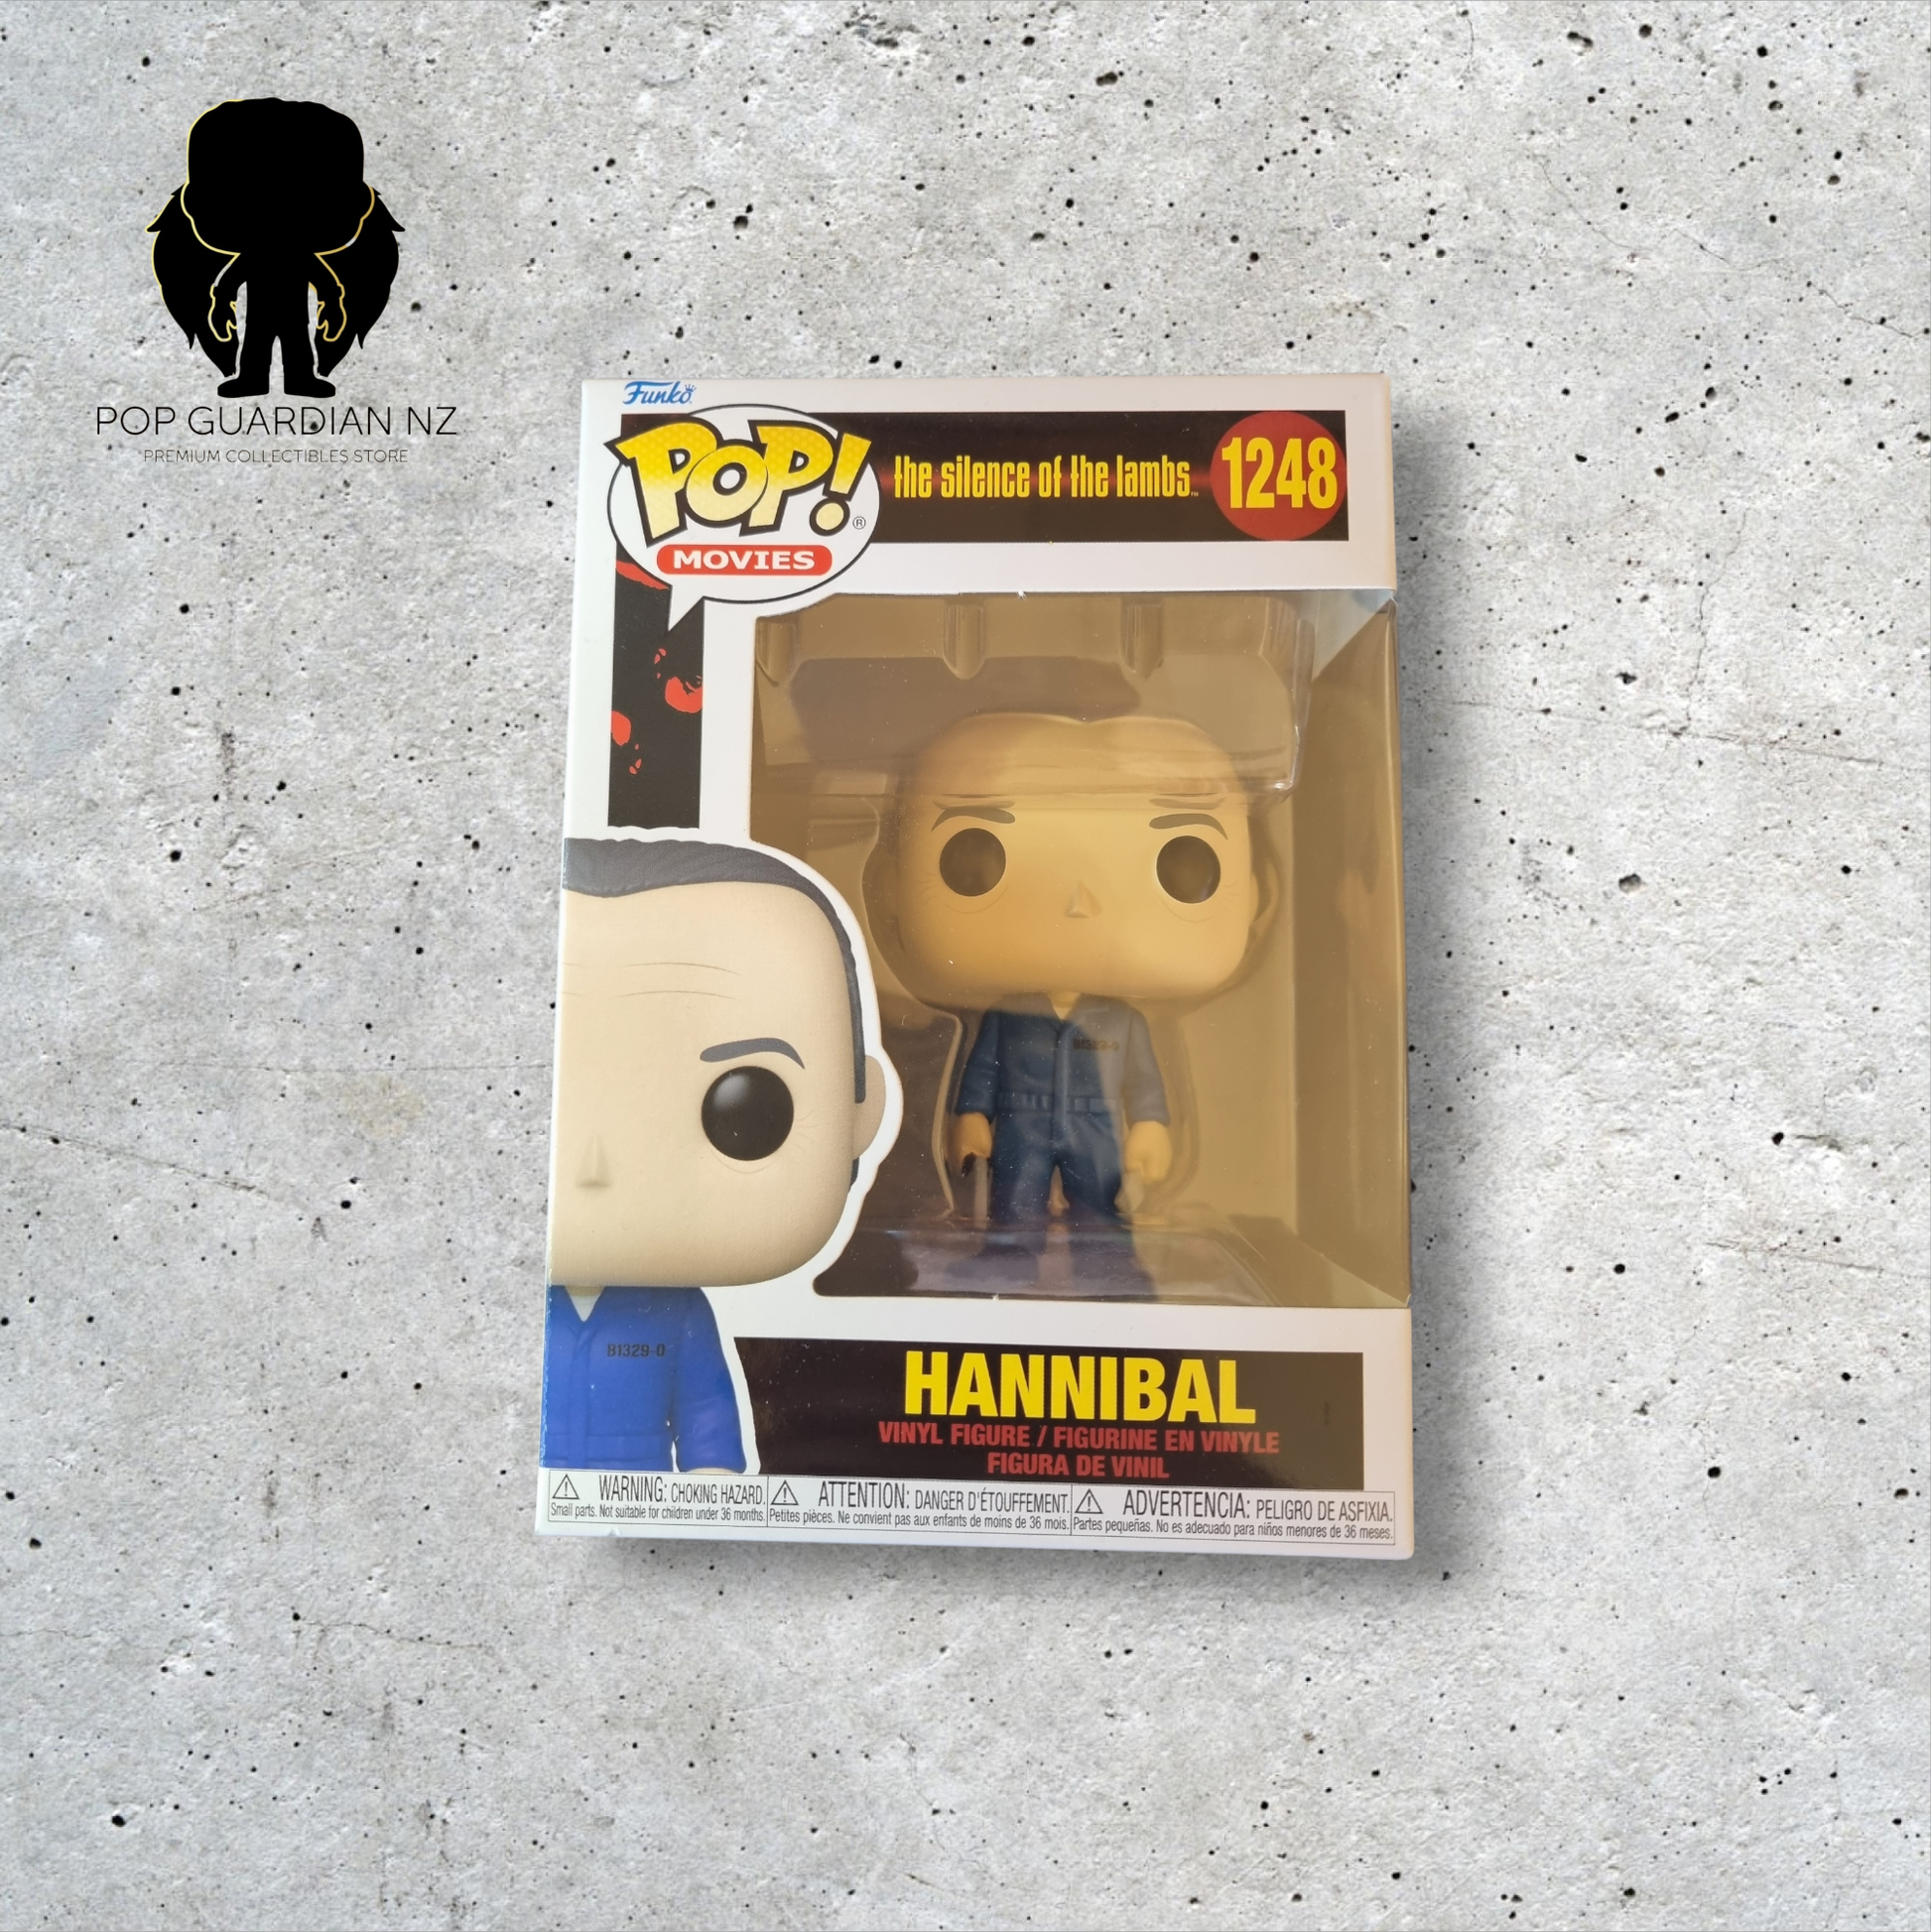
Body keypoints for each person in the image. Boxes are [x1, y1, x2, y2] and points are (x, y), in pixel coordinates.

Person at [541, 838, 889, 1471]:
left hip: (644, 1490)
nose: (595, 1167)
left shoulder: (676, 1310)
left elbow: (706, 1408)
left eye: (746, 1112)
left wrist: (713, 1476)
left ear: (859, 1114)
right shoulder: (507, 1306)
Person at [893, 712, 1258, 1294]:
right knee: (1016, 1197)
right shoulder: (1006, 1015)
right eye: (974, 853)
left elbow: (1142, 1079)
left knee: (1098, 1200)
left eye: (1183, 859)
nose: (1079, 899)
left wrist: (1151, 1125)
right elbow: (982, 1069)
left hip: (1095, 1122)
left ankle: (1107, 1262)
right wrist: (971, 1116)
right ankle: (1010, 1256)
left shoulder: (1123, 1019)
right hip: (1023, 1120)